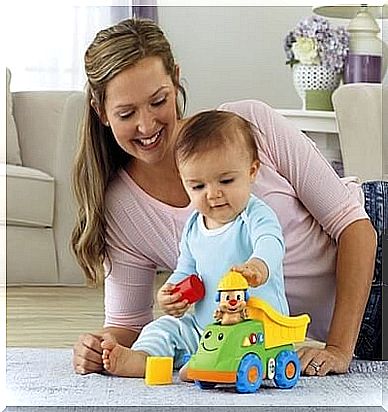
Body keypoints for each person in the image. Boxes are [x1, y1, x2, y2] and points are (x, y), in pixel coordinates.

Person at [71, 18, 377, 378]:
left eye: (158, 101)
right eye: (126, 113)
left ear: (176, 80)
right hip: (335, 330)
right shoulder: (123, 207)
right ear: (100, 111)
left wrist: (340, 349)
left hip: (375, 240)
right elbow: (128, 324)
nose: (146, 125)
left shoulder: (247, 125)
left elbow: (354, 226)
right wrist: (99, 348)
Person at [100, 109, 289, 378]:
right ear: (184, 183)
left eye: (226, 180)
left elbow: (270, 242)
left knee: (234, 345)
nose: (213, 194)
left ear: (251, 171)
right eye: (198, 186)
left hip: (254, 327)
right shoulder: (193, 226)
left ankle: (205, 363)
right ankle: (143, 358)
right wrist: (171, 291)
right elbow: (186, 269)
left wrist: (258, 265)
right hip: (205, 327)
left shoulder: (255, 214)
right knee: (163, 327)